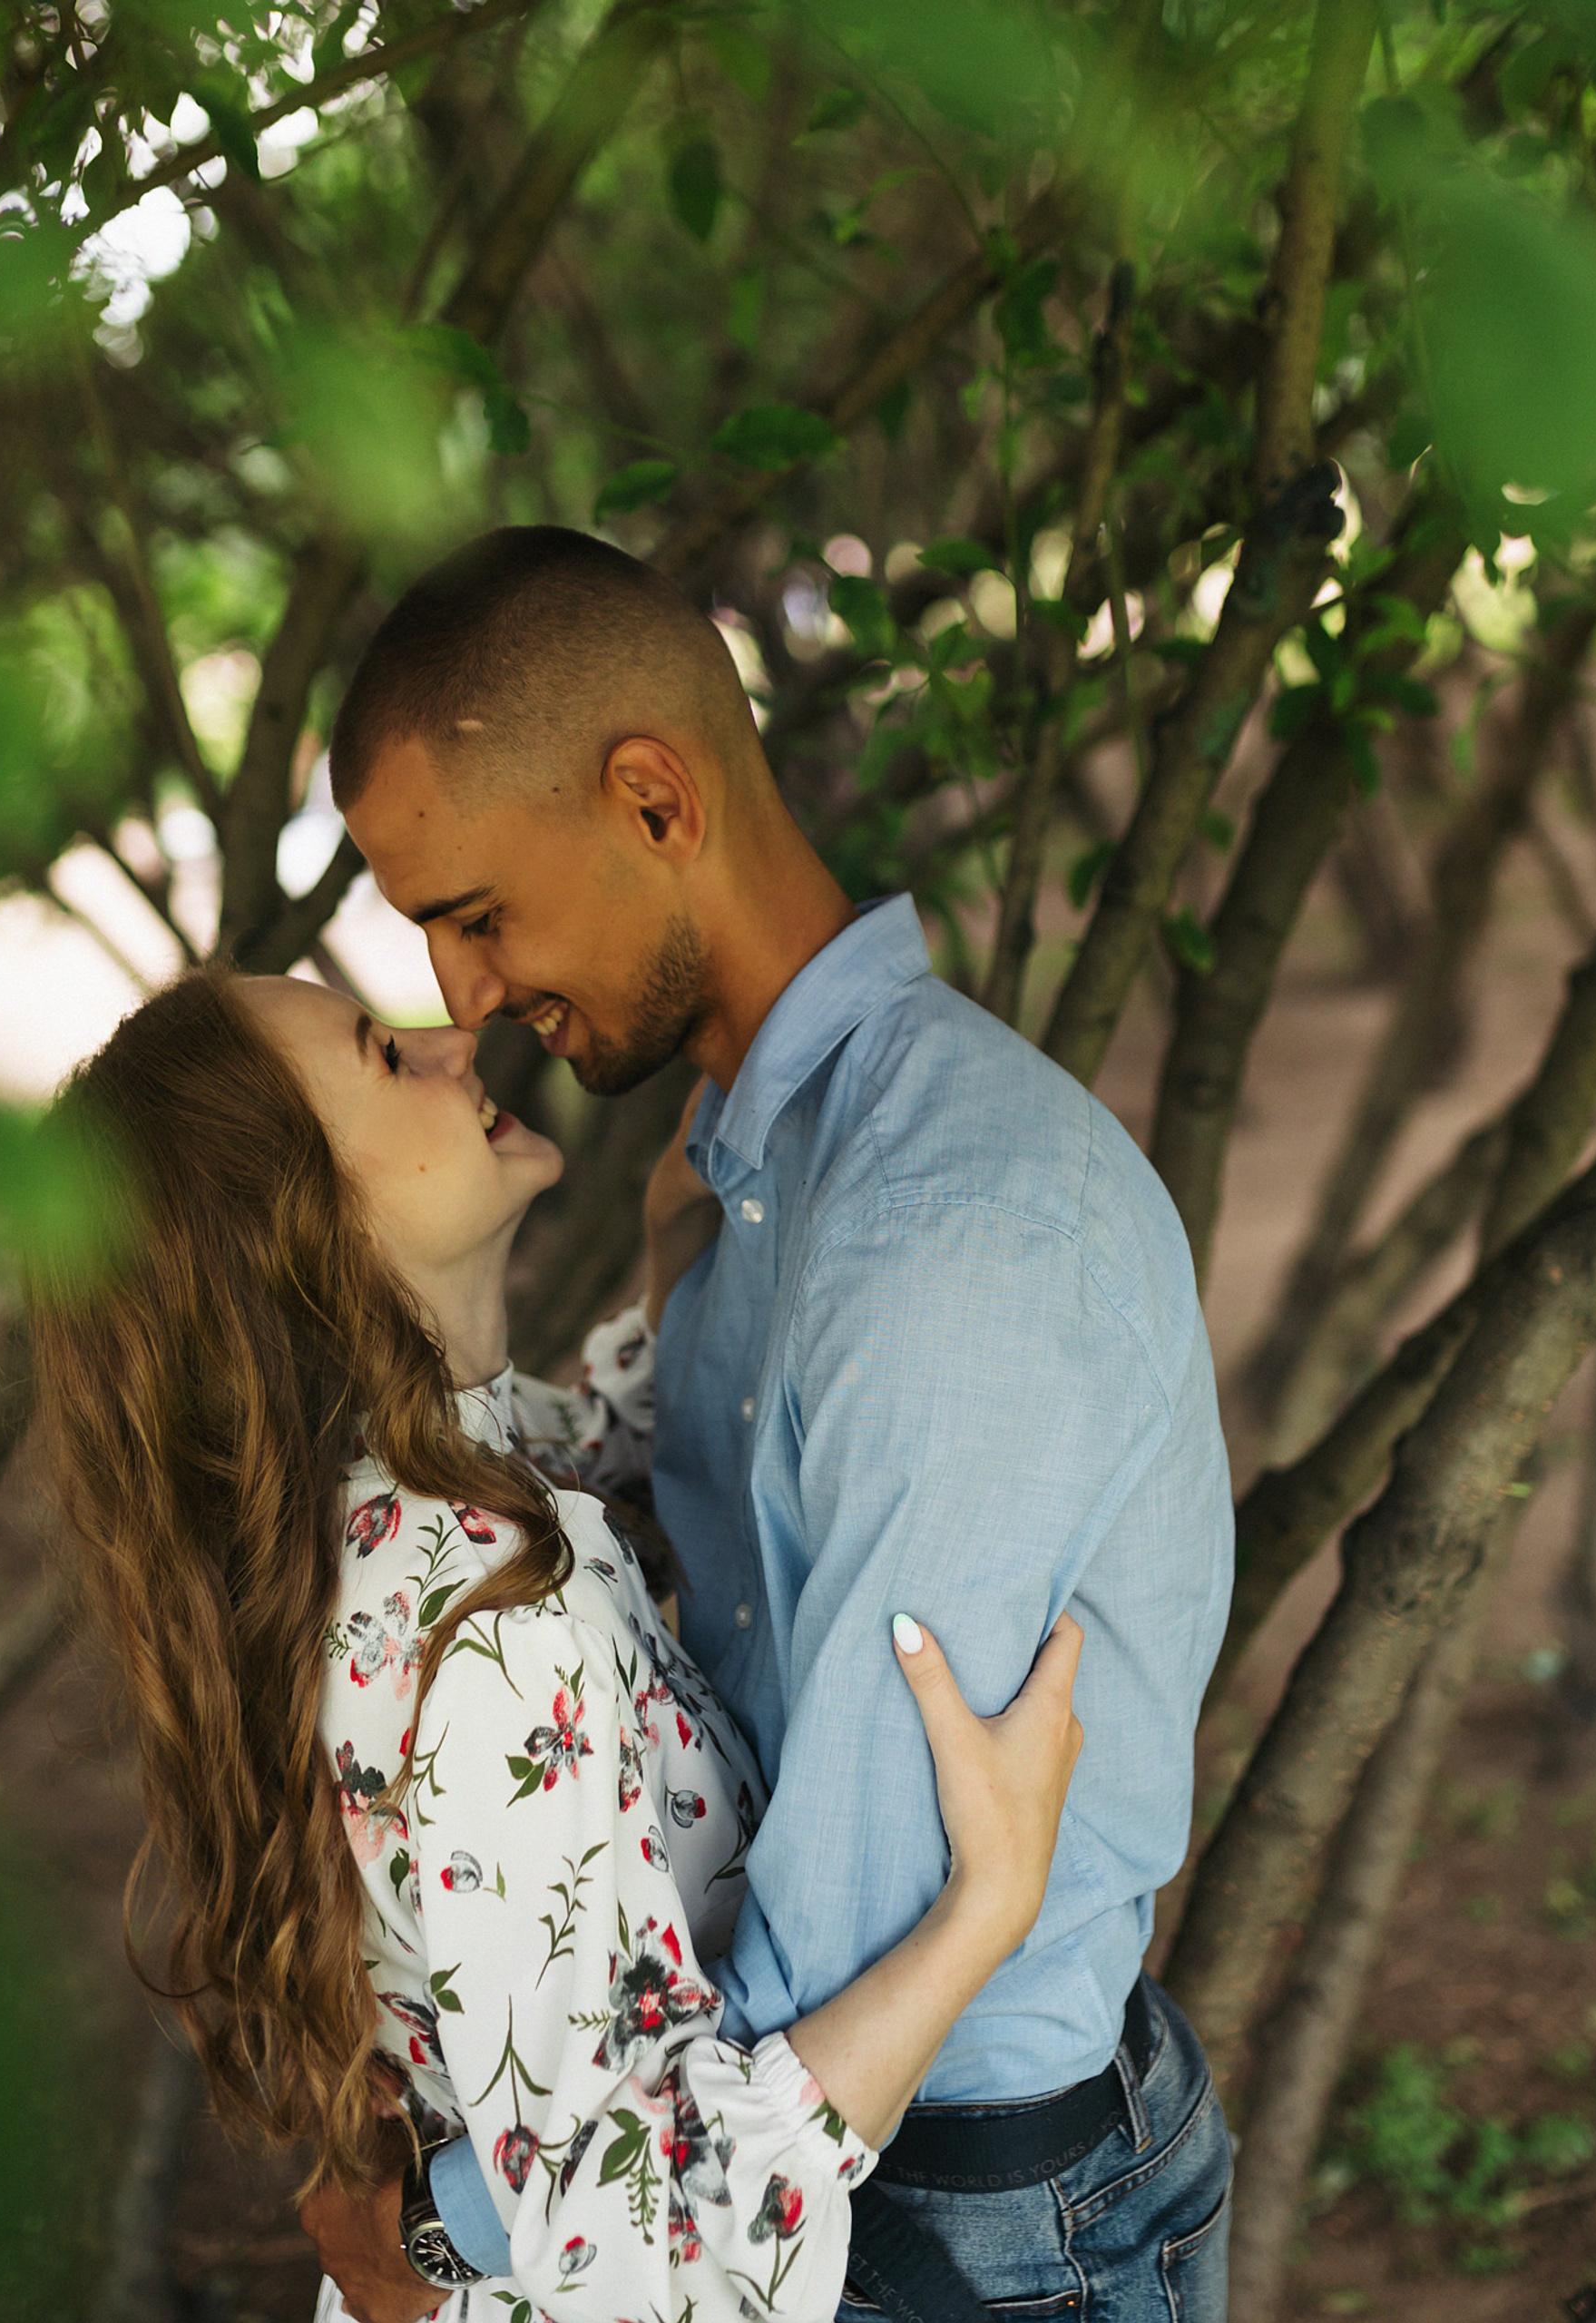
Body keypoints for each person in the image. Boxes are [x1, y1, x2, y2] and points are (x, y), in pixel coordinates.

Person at [325, 525, 1237, 2323]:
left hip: (949, 2203)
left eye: (479, 915)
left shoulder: (945, 1231)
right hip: (836, 2159)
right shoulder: (760, 1168)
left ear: (655, 801)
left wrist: (451, 2215)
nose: (461, 996)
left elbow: (857, 1924)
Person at [26, 965, 1086, 2323]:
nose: (454, 1039)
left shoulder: (388, 1496)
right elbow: (655, 2250)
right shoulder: (496, 1624)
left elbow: (581, 1454)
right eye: (382, 1054)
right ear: (300, 1226)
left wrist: (678, 1266)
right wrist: (985, 1909)